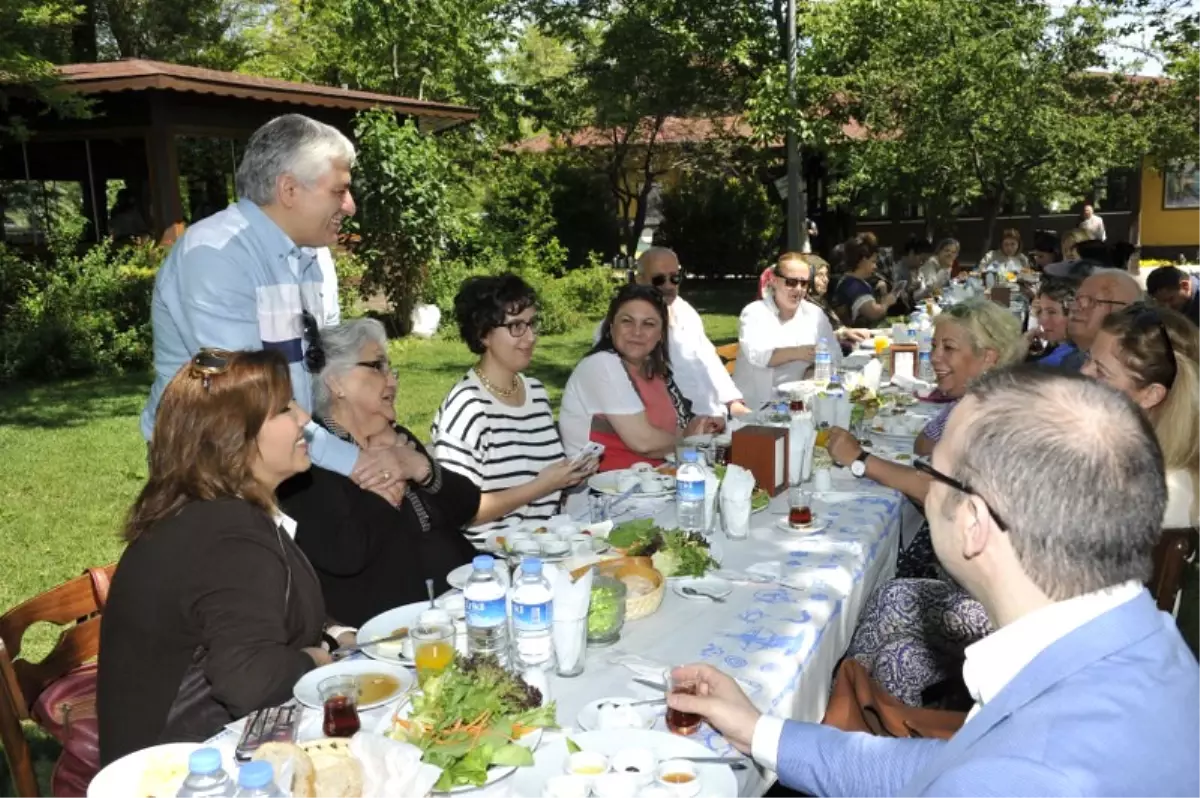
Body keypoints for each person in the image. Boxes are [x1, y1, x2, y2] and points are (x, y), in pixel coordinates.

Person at [667, 368, 1200, 797]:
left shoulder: (1027, 774)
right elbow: (943, 764)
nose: (925, 484)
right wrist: (759, 731)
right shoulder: (1144, 642)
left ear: (973, 522)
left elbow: (978, 774)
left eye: (932, 474)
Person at [139, 113, 410, 508]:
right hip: (212, 463)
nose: (350, 206)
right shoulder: (215, 255)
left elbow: (321, 368)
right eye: (340, 191)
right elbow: (247, 391)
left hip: (291, 449)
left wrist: (369, 433)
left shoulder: (315, 257)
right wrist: (358, 462)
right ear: (288, 189)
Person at [99, 350, 338, 764]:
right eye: (283, 409)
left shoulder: (207, 511)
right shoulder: (228, 535)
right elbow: (250, 681)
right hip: (183, 774)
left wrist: (335, 632)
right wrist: (315, 658)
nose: (303, 418)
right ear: (233, 438)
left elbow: (259, 609)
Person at [278, 320, 479, 627]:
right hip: (391, 634)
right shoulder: (310, 461)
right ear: (336, 383)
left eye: (390, 368)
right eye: (378, 366)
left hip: (463, 606)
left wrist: (419, 468)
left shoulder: (397, 437)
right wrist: (389, 482)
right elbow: (346, 552)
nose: (392, 381)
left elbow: (468, 505)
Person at [432, 275, 593, 537]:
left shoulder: (535, 392)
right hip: (490, 560)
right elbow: (460, 512)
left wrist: (571, 473)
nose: (530, 337)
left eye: (531, 324)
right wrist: (541, 486)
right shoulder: (467, 409)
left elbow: (541, 476)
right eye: (516, 326)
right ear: (483, 334)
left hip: (547, 543)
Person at [560, 284, 723, 470]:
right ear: (611, 327)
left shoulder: (654, 370)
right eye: (627, 321)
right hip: (601, 492)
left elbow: (671, 431)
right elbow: (644, 443)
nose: (637, 332)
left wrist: (700, 427)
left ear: (661, 334)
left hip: (654, 483)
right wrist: (691, 441)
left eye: (648, 324)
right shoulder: (601, 365)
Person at [1082, 303, 1200, 528]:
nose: (1083, 373)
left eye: (1100, 371)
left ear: (1150, 395)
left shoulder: (1152, 491)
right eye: (1088, 359)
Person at [630, 248, 750, 416]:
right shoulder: (626, 329)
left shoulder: (684, 310)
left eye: (675, 278)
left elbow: (709, 360)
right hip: (679, 427)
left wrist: (733, 402)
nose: (669, 286)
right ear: (639, 280)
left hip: (715, 417)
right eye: (659, 279)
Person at [734, 253, 844, 410]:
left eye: (804, 283)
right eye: (791, 282)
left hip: (803, 404)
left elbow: (836, 355)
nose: (798, 289)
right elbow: (759, 356)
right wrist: (800, 352)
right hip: (758, 407)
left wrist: (812, 370)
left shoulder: (814, 314)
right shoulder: (754, 313)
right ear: (773, 280)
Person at [1058, 268, 1142, 371]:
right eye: (1076, 299)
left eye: (1091, 301)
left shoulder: (1133, 372)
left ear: (1125, 311)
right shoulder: (1069, 362)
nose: (1075, 308)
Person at [808, 254, 873, 351]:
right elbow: (814, 339)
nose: (825, 280)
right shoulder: (804, 305)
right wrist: (843, 334)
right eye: (820, 275)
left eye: (826, 275)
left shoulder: (820, 302)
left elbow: (837, 329)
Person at [832, 233, 899, 325]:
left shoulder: (854, 281)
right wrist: (887, 303)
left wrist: (883, 293)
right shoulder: (853, 286)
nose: (875, 266)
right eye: (873, 261)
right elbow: (874, 313)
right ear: (863, 260)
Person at [1024, 283, 1075, 366]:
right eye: (1040, 311)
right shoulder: (1058, 347)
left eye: (1052, 312)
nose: (1042, 320)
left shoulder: (1063, 360)